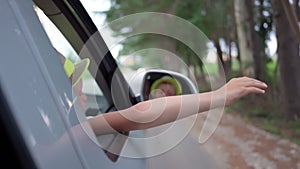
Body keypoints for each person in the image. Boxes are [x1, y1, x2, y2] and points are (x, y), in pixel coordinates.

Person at [59, 54, 268, 135]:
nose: (84, 93)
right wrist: (217, 96)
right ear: (59, 94)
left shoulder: (65, 131)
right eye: (77, 86)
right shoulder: (74, 134)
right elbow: (140, 114)